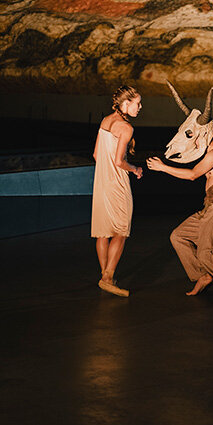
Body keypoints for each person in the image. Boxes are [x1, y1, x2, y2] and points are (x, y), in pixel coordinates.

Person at [146, 83, 213, 301]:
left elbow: (193, 175)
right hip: (209, 207)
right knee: (178, 236)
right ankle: (203, 275)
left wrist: (163, 168)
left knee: (205, 252)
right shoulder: (210, 154)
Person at [91, 85, 143, 297]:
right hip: (117, 183)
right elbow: (119, 161)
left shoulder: (105, 121)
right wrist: (135, 169)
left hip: (101, 182)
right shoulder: (126, 127)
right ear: (126, 103)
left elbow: (96, 155)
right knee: (121, 231)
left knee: (103, 232)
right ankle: (108, 278)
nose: (140, 107)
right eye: (137, 103)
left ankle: (105, 276)